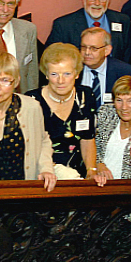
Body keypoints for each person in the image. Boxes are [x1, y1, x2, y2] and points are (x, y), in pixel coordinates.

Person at [24, 43, 104, 185]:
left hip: (79, 176)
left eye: (67, 74)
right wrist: (54, 170)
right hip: (44, 175)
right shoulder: (31, 101)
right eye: (54, 74)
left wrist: (91, 171)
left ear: (77, 74)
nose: (61, 81)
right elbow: (29, 147)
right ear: (46, 74)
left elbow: (87, 139)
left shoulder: (85, 96)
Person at [0, 52, 57, 191]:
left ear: (16, 82)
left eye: (5, 80)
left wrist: (46, 169)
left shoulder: (31, 107)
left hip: (23, 189)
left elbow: (43, 141)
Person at [46, 0, 131, 63]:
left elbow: (127, 57)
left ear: (108, 1)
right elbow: (50, 59)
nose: (97, 3)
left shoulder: (122, 21)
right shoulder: (63, 25)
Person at [79, 27, 131, 110]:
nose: (87, 53)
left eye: (93, 48)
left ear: (107, 50)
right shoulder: (73, 70)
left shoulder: (125, 72)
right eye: (84, 47)